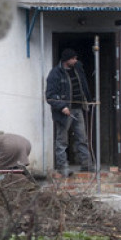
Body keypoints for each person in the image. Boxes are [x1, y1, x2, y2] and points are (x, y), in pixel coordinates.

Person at [45, 48, 93, 176]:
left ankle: (86, 165)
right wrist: (62, 107)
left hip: (78, 109)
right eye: (73, 58)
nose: (76, 60)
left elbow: (84, 86)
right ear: (67, 60)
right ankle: (62, 167)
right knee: (62, 141)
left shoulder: (77, 69)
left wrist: (87, 101)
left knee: (82, 138)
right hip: (63, 112)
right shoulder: (55, 73)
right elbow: (49, 96)